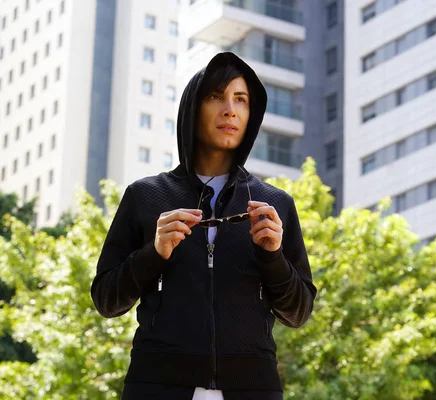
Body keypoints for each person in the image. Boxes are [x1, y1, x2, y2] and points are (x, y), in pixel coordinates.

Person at [91, 52, 317, 400]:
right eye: (216, 96)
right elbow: (107, 299)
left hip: (253, 387)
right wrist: (154, 254)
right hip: (157, 384)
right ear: (193, 108)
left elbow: (298, 312)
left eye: (241, 100)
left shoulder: (275, 204)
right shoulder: (145, 196)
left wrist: (273, 257)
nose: (230, 109)